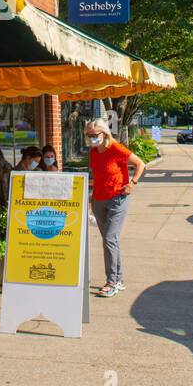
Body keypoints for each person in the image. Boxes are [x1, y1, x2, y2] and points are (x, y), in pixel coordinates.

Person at [85, 118, 146, 298]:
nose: (91, 139)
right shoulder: (94, 152)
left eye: (94, 135)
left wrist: (132, 183)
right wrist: (91, 195)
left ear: (104, 133)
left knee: (110, 239)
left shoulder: (116, 148)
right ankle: (118, 279)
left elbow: (140, 164)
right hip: (99, 200)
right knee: (110, 240)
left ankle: (112, 281)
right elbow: (97, 175)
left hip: (117, 199)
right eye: (88, 136)